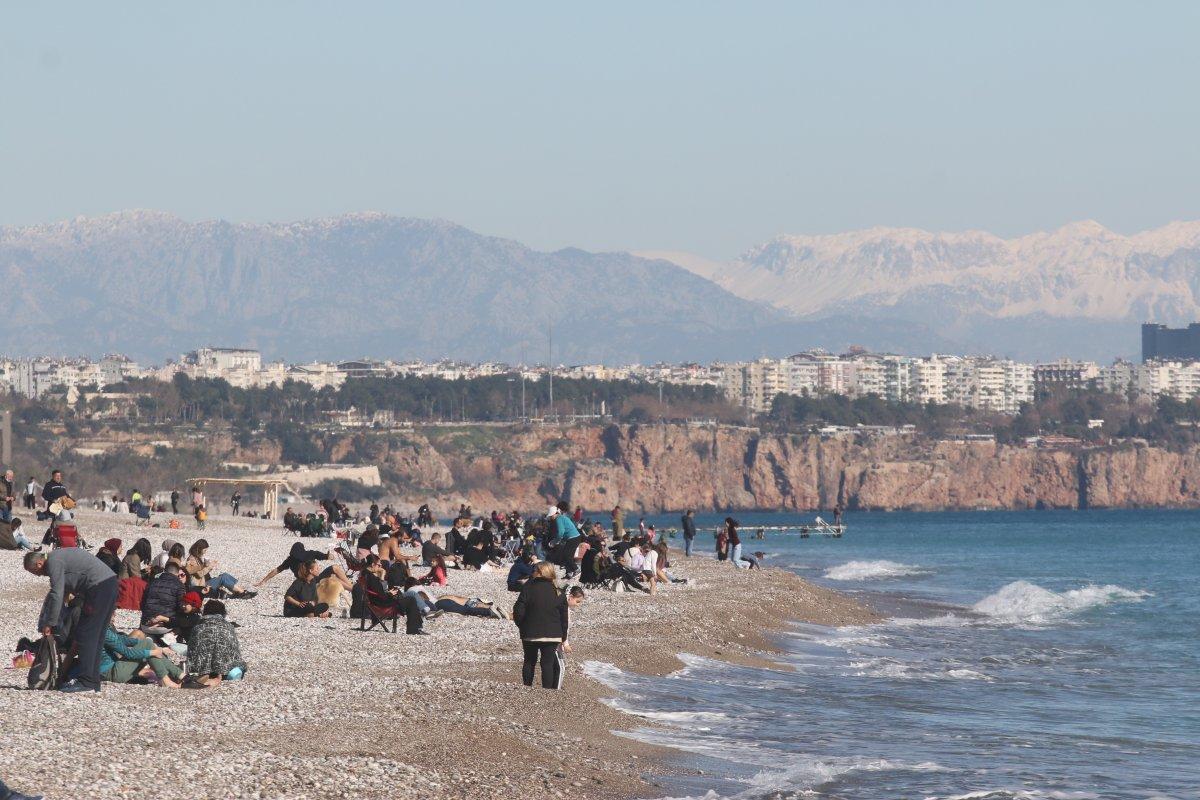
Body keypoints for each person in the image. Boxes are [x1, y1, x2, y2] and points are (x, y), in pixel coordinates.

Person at [24, 548, 119, 693]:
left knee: (85, 634)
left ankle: (86, 682)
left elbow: (57, 593)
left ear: (38, 564)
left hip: (98, 588)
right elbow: (68, 587)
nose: (38, 576)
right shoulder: (58, 556)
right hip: (109, 584)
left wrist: (50, 623)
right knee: (97, 636)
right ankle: (93, 681)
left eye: (34, 572)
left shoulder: (53, 562)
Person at [512, 562, 569, 689]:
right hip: (552, 634)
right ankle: (546, 691)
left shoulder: (528, 588)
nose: (532, 572)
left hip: (530, 632)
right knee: (547, 664)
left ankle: (527, 687)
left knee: (529, 661)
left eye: (534, 570)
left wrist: (522, 625)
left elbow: (518, 610)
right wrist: (563, 637)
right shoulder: (559, 592)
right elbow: (564, 619)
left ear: (539, 572)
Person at [100, 611, 183, 688]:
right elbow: (128, 653)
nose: (115, 615)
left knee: (148, 643)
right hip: (111, 673)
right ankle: (168, 679)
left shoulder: (103, 628)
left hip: (112, 670)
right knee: (148, 644)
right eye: (112, 613)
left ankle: (179, 675)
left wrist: (146, 644)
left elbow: (123, 639)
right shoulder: (103, 631)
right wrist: (151, 651)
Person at [186, 600, 246, 687]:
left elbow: (192, 650)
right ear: (223, 613)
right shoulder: (228, 627)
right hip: (226, 670)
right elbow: (234, 650)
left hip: (201, 670)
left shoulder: (198, 627)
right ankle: (225, 673)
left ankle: (201, 675)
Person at [257, 541, 353, 590]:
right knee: (335, 570)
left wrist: (263, 581)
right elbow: (326, 556)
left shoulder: (290, 560)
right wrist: (329, 556)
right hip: (312, 582)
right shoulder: (310, 553)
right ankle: (353, 589)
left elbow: (277, 570)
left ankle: (352, 587)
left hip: (306, 582)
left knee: (333, 573)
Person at [185, 539, 255, 598]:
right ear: (199, 549)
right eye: (205, 550)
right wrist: (209, 567)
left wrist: (209, 566)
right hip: (200, 587)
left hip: (204, 582)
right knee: (223, 578)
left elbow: (202, 571)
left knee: (225, 575)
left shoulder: (197, 557)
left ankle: (239, 592)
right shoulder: (192, 559)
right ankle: (242, 593)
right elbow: (199, 574)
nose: (205, 552)